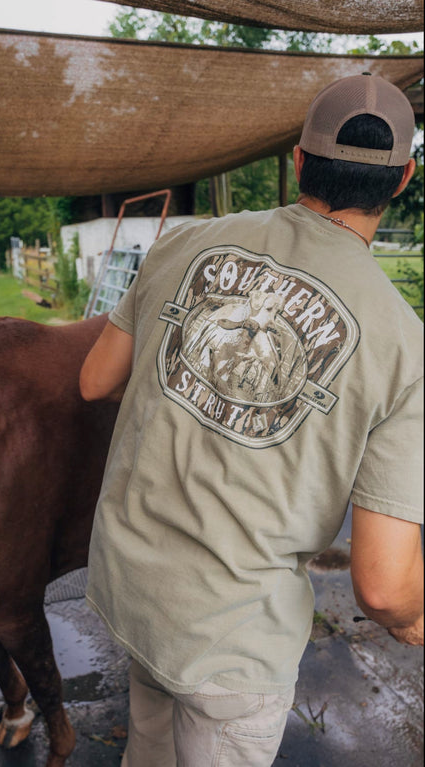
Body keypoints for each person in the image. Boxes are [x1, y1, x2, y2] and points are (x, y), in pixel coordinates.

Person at [79, 74, 424, 767]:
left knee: (146, 748)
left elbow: (94, 381)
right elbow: (383, 585)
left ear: (298, 160)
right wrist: (412, 619)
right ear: (401, 180)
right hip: (232, 643)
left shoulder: (185, 243)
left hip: (132, 589)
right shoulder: (402, 341)